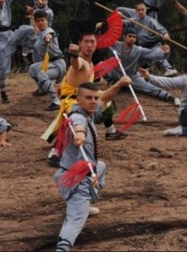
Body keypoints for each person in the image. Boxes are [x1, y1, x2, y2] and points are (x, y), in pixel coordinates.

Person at [54, 78, 131, 252]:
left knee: (100, 166)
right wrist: (79, 135)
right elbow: (78, 126)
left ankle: (86, 202)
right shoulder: (77, 116)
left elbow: (105, 98)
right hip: (75, 180)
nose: (94, 101)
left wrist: (119, 84)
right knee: (76, 220)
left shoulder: (90, 112)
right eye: (89, 98)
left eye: (95, 98)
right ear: (78, 100)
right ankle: (62, 249)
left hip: (85, 171)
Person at [43, 31, 128, 167]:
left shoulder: (90, 63)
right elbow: (76, 64)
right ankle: (56, 151)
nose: (89, 45)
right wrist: (74, 55)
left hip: (83, 99)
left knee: (106, 101)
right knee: (78, 119)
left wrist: (119, 83)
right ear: (80, 44)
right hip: (72, 103)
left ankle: (110, 130)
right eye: (86, 42)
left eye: (92, 42)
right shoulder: (81, 60)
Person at [0, 0, 37, 104]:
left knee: (30, 30)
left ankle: (27, 52)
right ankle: (3, 92)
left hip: (10, 34)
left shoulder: (6, 2)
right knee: (3, 67)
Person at [106, 26, 181, 106]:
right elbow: (101, 42)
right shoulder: (115, 45)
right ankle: (111, 82)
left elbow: (152, 53)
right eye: (130, 36)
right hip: (115, 76)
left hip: (132, 77)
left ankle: (171, 97)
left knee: (151, 88)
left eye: (134, 37)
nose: (132, 38)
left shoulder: (138, 50)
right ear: (124, 36)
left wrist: (164, 51)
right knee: (102, 67)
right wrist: (100, 28)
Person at [122, 2, 178, 76]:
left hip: (153, 44)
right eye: (139, 10)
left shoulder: (151, 21)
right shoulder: (134, 20)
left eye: (142, 9)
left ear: (146, 10)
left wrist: (165, 34)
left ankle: (168, 68)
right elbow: (123, 23)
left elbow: (161, 29)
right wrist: (119, 17)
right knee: (134, 54)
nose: (141, 11)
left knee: (160, 52)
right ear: (136, 11)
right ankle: (133, 72)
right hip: (142, 46)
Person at [28, 10, 66, 111]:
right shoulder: (39, 33)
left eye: (42, 20)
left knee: (41, 74)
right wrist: (32, 16)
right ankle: (42, 89)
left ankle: (56, 101)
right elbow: (35, 28)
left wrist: (49, 37)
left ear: (47, 21)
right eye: (38, 21)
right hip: (50, 63)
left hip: (58, 64)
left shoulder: (48, 31)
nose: (40, 22)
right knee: (32, 68)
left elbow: (51, 34)